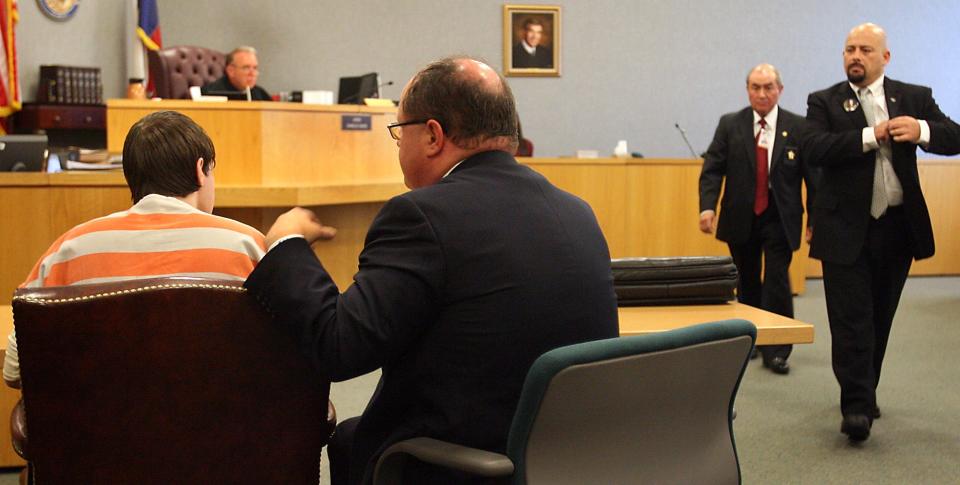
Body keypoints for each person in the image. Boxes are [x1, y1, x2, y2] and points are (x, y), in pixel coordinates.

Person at [243, 56, 619, 484]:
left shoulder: (422, 216)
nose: (398, 145)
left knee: (349, 440)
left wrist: (287, 244)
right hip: (564, 459)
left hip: (459, 465)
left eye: (399, 131)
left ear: (433, 136)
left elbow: (339, 347)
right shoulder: (577, 211)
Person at [2, 111, 267, 388]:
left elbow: (14, 369)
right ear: (201, 170)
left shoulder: (70, 249)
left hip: (98, 428)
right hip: (223, 426)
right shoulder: (248, 245)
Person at [805, 23, 960, 442]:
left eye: (865, 50)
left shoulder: (914, 97)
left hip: (897, 228)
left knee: (879, 317)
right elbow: (814, 148)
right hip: (843, 228)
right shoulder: (824, 101)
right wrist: (868, 136)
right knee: (850, 319)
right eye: (849, 49)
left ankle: (865, 389)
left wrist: (922, 131)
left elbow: (955, 136)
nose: (855, 56)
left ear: (884, 58)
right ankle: (855, 406)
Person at [699, 63, 816, 375]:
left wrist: (814, 220)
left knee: (777, 281)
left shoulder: (799, 126)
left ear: (779, 89)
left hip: (780, 217)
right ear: (747, 89)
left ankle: (776, 350)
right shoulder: (730, 124)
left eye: (768, 87)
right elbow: (713, 168)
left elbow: (812, 177)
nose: (761, 93)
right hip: (741, 216)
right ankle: (748, 340)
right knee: (746, 280)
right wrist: (707, 207)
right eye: (755, 87)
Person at [201, 46, 272, 101]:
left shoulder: (261, 94)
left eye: (255, 68)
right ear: (231, 71)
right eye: (246, 68)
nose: (252, 73)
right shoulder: (211, 93)